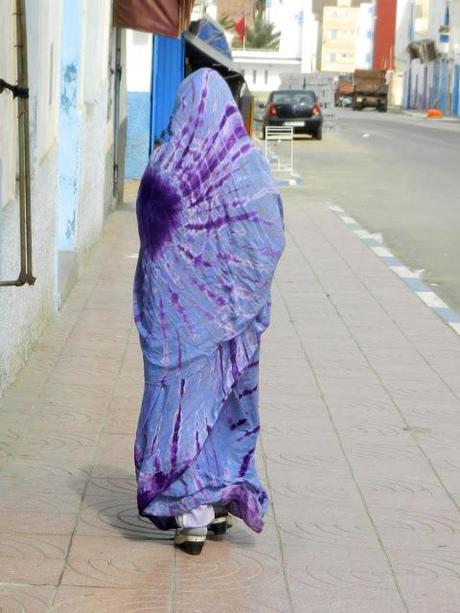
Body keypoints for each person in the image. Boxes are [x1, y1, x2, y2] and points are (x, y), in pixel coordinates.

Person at [133, 68, 285, 555]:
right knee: (221, 405)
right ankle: (216, 503)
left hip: (179, 329)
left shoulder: (161, 170)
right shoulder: (248, 168)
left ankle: (194, 514)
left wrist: (183, 308)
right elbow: (268, 232)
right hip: (230, 321)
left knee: (183, 408)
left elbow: (153, 251)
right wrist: (236, 299)